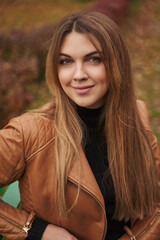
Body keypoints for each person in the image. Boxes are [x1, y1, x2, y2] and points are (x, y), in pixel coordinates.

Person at [0, 11, 160, 240]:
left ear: (117, 64)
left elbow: (155, 204)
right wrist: (33, 229)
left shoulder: (136, 116)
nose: (78, 75)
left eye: (93, 59)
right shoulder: (28, 132)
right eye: (65, 61)